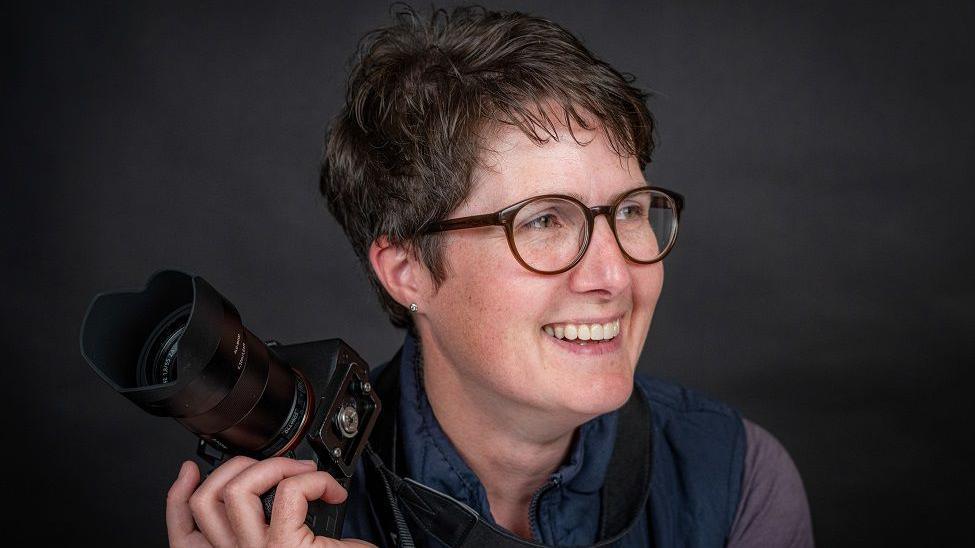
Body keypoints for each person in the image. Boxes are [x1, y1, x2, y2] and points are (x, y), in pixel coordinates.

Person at [165, 5, 814, 547]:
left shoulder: (734, 478)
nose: (615, 274)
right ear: (408, 270)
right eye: (542, 223)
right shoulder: (273, 519)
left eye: (631, 212)